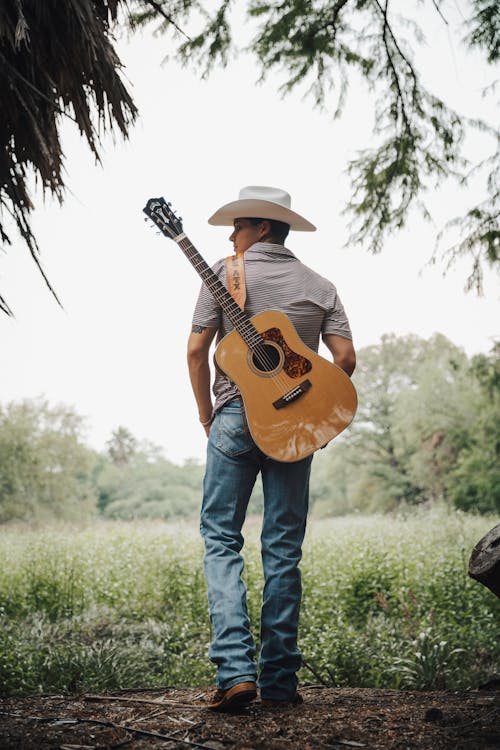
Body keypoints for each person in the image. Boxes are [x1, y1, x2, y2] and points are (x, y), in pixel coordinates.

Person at [187, 186, 356, 711]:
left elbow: (196, 349)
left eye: (236, 225)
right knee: (284, 548)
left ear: (261, 227)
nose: (230, 235)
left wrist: (205, 414)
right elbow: (345, 358)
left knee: (220, 538)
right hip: (295, 423)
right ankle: (280, 684)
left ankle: (236, 673)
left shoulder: (223, 273)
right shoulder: (321, 285)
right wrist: (311, 412)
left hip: (236, 417)